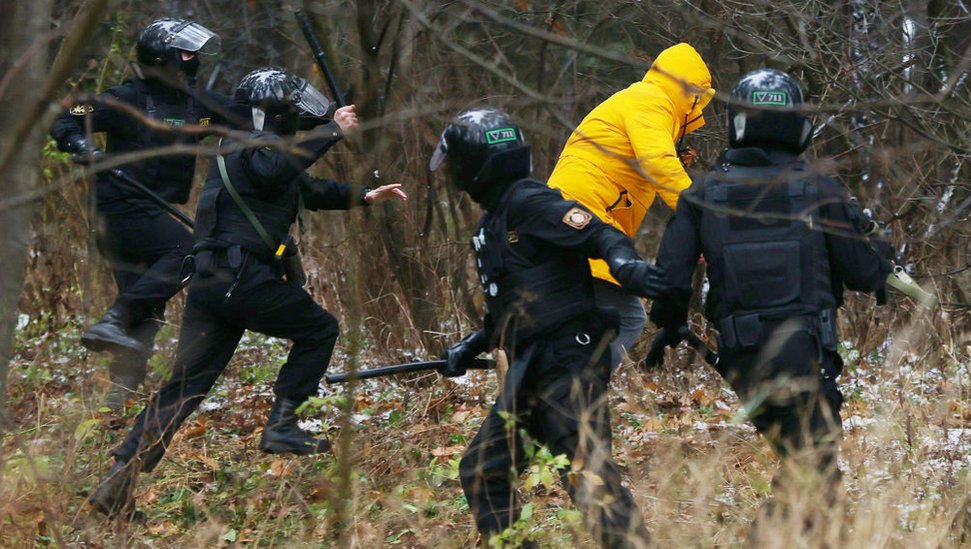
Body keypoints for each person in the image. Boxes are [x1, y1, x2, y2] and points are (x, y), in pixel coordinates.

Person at [87, 67, 407, 519]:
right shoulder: (252, 147)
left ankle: (117, 483)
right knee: (320, 330)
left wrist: (367, 195)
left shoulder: (252, 148)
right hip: (240, 278)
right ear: (275, 112)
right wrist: (333, 131)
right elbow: (277, 172)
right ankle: (282, 424)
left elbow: (308, 189)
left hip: (213, 283)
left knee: (184, 389)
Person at [648, 69, 892, 534]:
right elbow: (863, 273)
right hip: (806, 356)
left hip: (743, 359)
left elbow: (671, 279)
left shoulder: (703, 193)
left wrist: (670, 323)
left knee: (810, 472)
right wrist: (881, 254)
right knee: (812, 473)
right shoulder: (819, 188)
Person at [431, 107, 666, 548]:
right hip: (531, 368)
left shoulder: (528, 201)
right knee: (484, 471)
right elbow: (518, 304)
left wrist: (625, 265)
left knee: (588, 479)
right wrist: (473, 343)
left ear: (472, 165)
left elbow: (598, 232)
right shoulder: (495, 220)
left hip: (567, 364)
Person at [50, 18, 238, 408]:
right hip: (118, 207)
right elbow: (65, 117)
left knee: (146, 306)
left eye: (194, 53)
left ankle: (119, 396)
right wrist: (83, 147)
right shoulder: (124, 99)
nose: (193, 59)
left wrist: (325, 118)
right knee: (187, 251)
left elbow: (247, 114)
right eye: (186, 52)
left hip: (149, 209)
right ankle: (115, 318)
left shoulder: (196, 105)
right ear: (162, 56)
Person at [548, 42, 714, 366]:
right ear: (687, 90)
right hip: (586, 214)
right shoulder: (651, 101)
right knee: (627, 317)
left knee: (582, 320)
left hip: (576, 214)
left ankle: (555, 383)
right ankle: (577, 387)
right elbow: (660, 165)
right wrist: (704, 222)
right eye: (696, 95)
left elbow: (642, 165)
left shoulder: (644, 102)